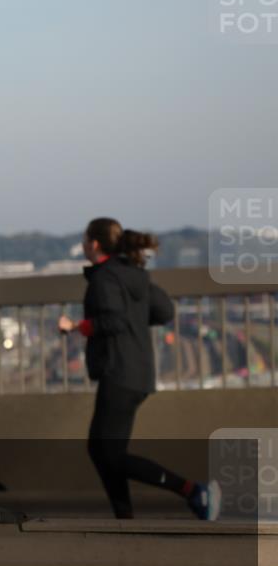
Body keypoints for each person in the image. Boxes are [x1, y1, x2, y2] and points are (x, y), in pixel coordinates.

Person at [59, 217, 220, 521]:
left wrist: (75, 326)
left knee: (105, 453)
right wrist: (135, 318)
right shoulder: (134, 274)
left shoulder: (105, 278)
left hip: (119, 372)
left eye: (84, 239)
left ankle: (192, 491)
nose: (82, 244)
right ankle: (125, 518)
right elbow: (164, 310)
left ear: (94, 244)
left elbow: (114, 321)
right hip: (138, 372)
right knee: (107, 453)